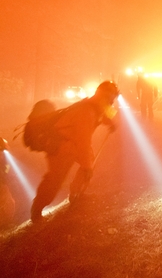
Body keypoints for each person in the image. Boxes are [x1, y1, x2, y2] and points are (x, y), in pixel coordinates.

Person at [31, 80, 120, 223]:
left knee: (89, 162)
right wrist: (86, 167)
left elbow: (105, 115)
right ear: (104, 95)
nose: (112, 101)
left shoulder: (95, 105)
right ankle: (37, 210)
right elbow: (83, 142)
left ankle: (76, 194)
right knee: (54, 181)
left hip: (71, 145)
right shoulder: (86, 112)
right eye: (111, 97)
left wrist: (112, 123)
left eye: (113, 98)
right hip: (61, 148)